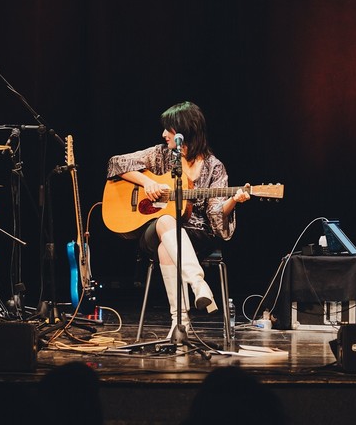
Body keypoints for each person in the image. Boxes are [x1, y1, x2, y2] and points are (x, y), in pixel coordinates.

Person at [106, 101, 250, 337]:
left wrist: (234, 200)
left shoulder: (214, 168)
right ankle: (198, 284)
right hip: (154, 229)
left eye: (169, 129)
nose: (163, 134)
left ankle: (178, 324)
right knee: (165, 221)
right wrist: (148, 182)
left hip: (196, 236)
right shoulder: (161, 155)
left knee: (166, 248)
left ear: (185, 130)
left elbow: (215, 215)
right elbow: (116, 163)